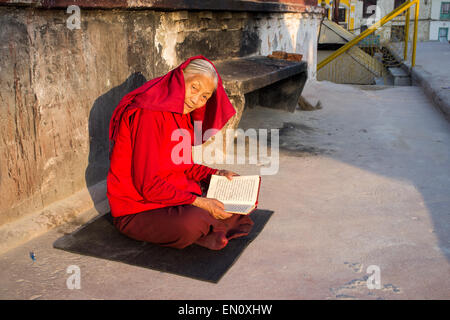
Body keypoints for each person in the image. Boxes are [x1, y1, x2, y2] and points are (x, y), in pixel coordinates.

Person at [106, 55, 254, 250]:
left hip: (170, 197)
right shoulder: (148, 115)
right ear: (179, 79)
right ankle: (207, 230)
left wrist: (216, 174)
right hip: (137, 208)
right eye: (194, 87)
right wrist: (200, 202)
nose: (196, 100)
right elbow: (148, 185)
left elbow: (183, 165)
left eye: (204, 96)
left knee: (232, 205)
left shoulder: (181, 115)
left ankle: (210, 229)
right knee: (192, 222)